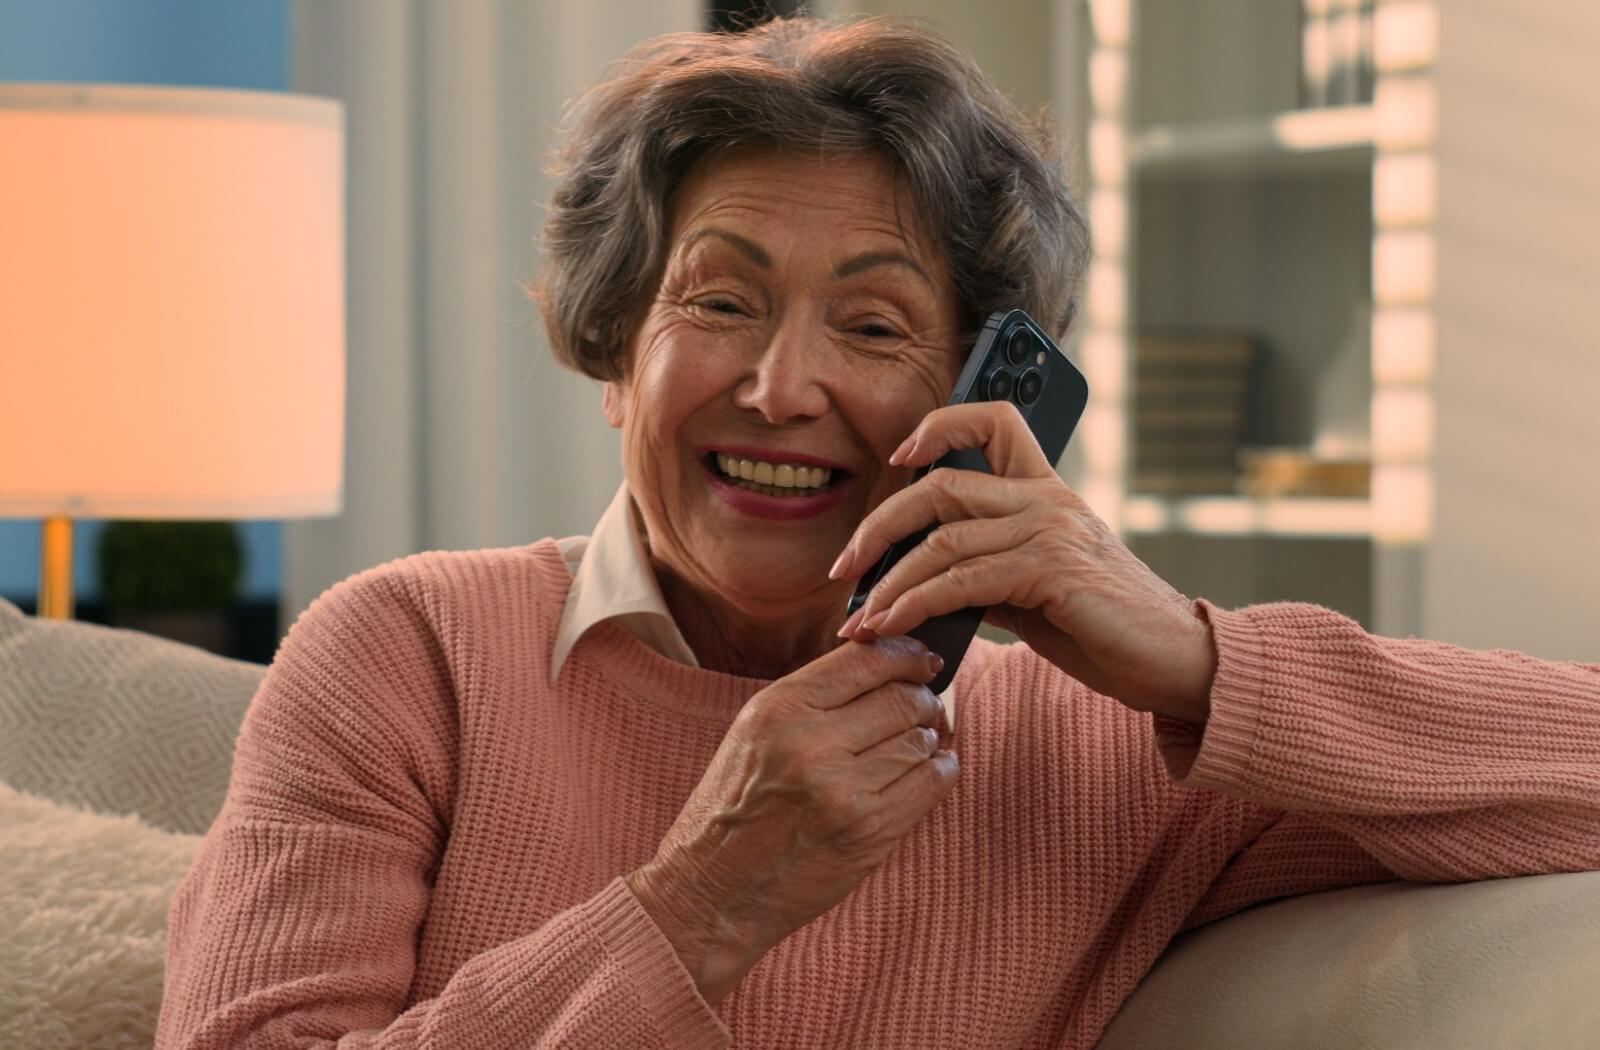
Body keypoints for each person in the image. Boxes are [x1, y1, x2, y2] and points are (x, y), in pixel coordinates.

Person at [156, 16, 1600, 1049]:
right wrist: (699, 903)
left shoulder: (1104, 745)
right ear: (614, 357)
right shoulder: (403, 654)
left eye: (874, 322)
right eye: (717, 301)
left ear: (982, 392)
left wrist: (1194, 657)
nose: (783, 388)